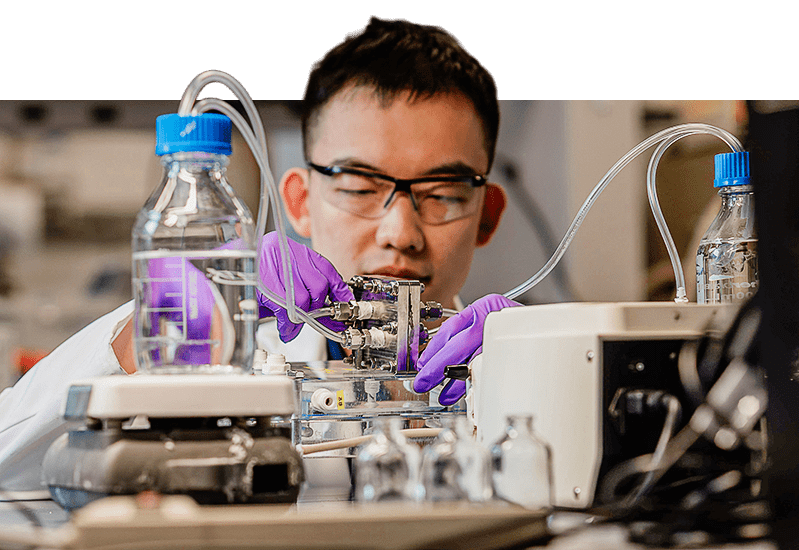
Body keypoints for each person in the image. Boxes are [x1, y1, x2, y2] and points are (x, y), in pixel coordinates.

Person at [0, 16, 518, 492]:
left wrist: (544, 367)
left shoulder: (521, 364)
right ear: (299, 203)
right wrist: (156, 333)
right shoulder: (235, 366)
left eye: (443, 193)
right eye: (360, 186)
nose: (400, 232)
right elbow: (9, 468)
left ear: (488, 215)